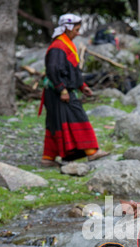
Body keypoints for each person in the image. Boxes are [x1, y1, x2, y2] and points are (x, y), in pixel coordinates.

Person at [39, 14, 109, 167]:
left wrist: (82, 86)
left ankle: (48, 158)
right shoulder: (58, 46)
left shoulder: (65, 44)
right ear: (67, 28)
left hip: (58, 91)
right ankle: (91, 152)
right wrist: (62, 89)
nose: (78, 33)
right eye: (76, 30)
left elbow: (71, 70)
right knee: (78, 116)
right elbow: (53, 69)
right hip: (58, 91)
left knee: (55, 123)